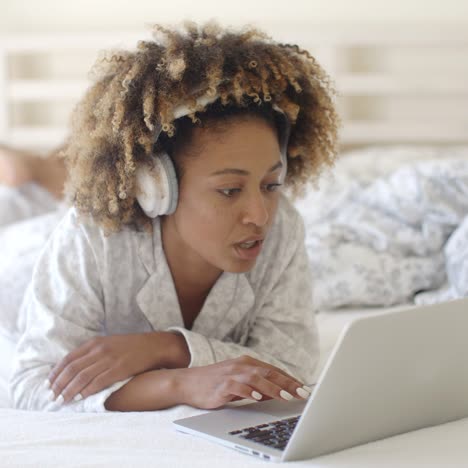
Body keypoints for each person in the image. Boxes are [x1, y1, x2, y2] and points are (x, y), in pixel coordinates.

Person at [8, 20, 339, 412]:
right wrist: (176, 385)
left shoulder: (282, 226)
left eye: (271, 184)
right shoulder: (90, 235)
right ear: (156, 185)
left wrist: (168, 348)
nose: (259, 215)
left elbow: (291, 368)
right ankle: (35, 172)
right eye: (229, 190)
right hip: (18, 263)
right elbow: (32, 386)